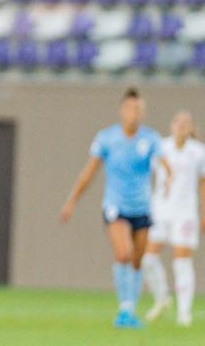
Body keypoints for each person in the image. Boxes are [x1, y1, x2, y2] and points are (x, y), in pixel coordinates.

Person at [60, 88, 170, 329]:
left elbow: (164, 164)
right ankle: (124, 310)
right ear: (122, 110)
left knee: (138, 261)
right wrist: (71, 201)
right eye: (131, 108)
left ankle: (130, 309)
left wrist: (168, 178)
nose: (135, 113)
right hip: (115, 206)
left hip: (141, 207)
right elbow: (89, 172)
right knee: (124, 254)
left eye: (139, 109)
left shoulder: (150, 138)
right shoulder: (107, 138)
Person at [142, 111, 204, 327]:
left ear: (191, 127)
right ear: (171, 125)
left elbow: (203, 184)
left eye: (186, 123)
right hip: (160, 211)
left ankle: (184, 312)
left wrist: (204, 212)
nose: (181, 126)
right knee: (147, 259)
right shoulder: (160, 147)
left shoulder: (198, 152)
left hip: (185, 213)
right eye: (177, 121)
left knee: (182, 261)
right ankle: (162, 297)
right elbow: (146, 175)